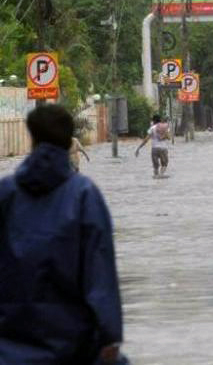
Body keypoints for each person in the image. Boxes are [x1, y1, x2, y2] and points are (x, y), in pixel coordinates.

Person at [0, 104, 125, 364]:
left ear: (31, 135)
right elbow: (99, 274)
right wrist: (110, 336)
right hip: (73, 346)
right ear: (69, 138)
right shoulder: (84, 196)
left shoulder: (6, 194)